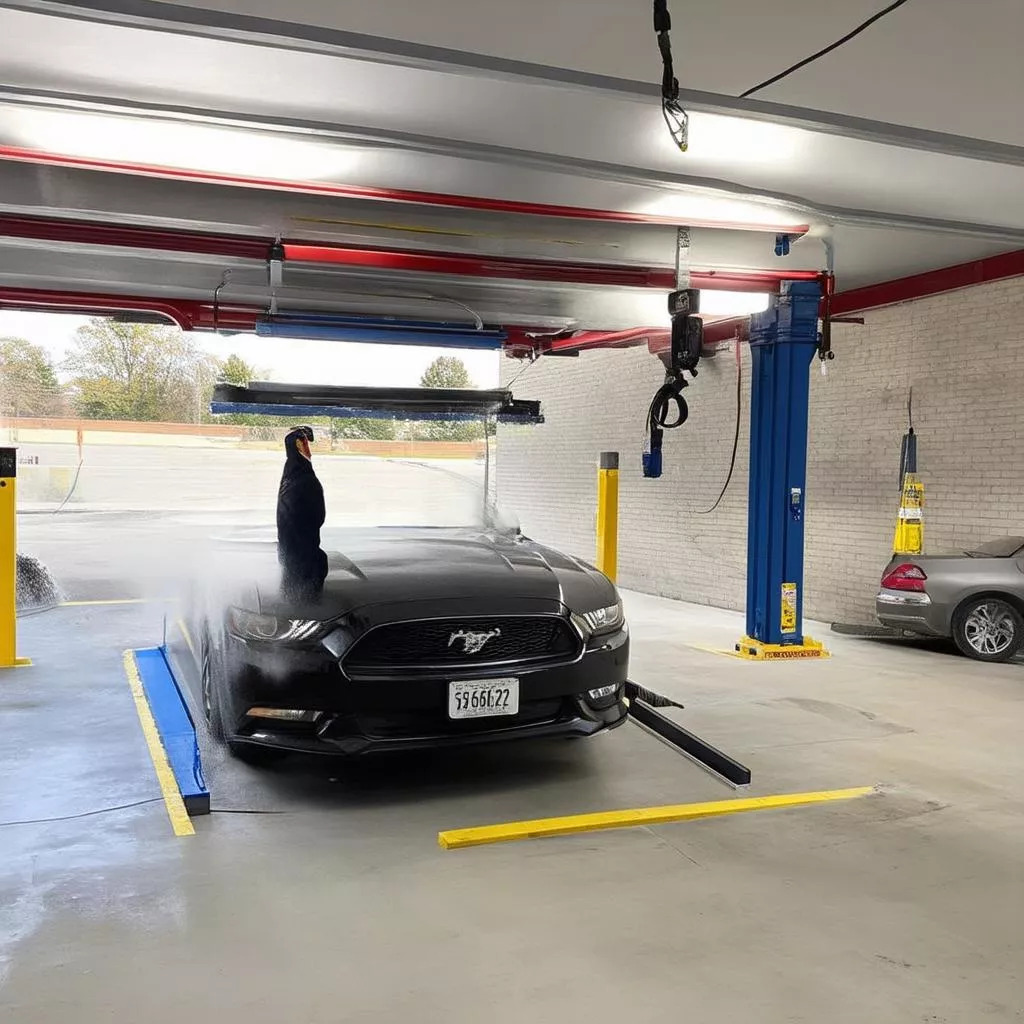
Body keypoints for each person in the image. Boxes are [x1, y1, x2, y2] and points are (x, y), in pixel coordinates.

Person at [276, 425, 328, 601]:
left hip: (296, 555)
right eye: (303, 444)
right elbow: (316, 516)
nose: (308, 450)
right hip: (303, 558)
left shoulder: (294, 474)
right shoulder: (301, 478)